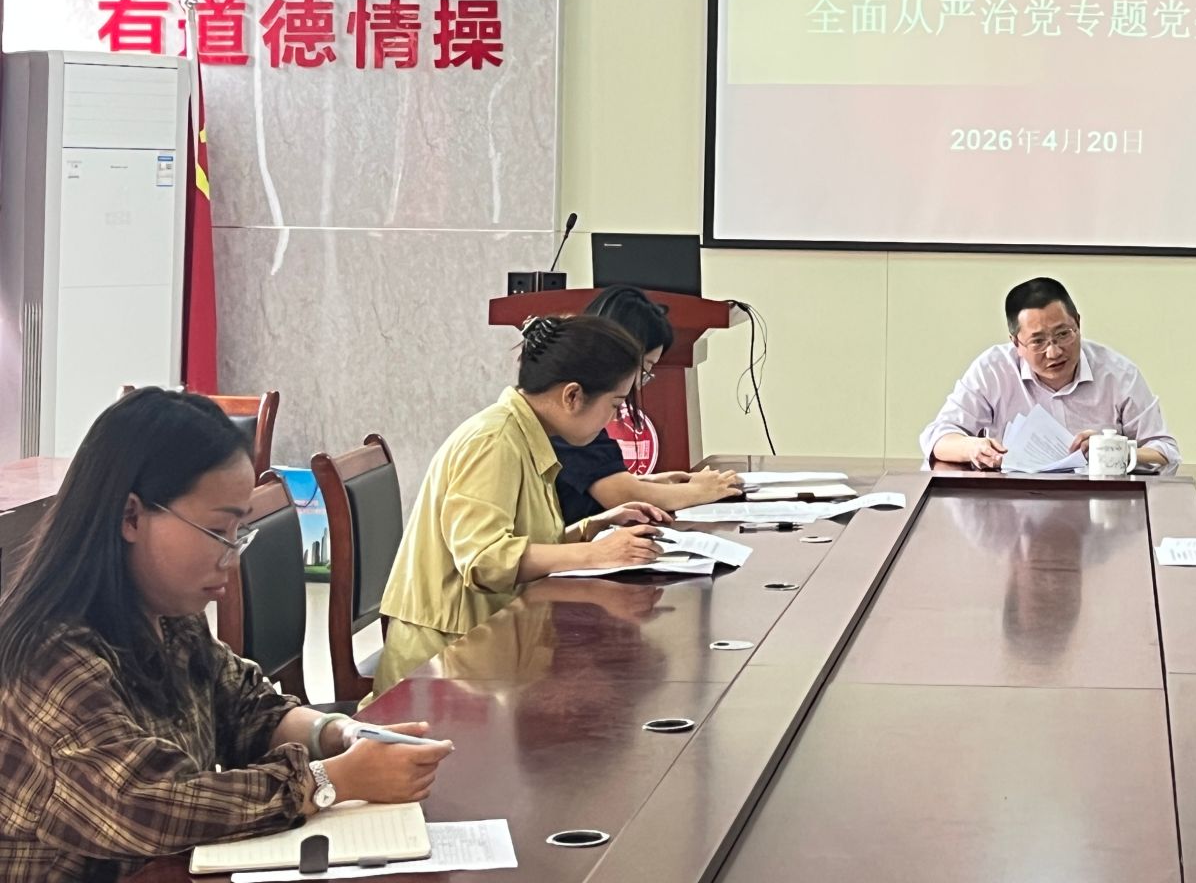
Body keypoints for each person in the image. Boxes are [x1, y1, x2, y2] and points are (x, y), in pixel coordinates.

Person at [0, 390, 452, 881]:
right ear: (130, 516)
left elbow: (245, 708)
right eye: (219, 532)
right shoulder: (48, 652)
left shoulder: (169, 614)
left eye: (241, 532)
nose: (232, 558)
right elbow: (143, 803)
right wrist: (330, 781)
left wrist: (340, 735)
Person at [377, 315, 673, 692]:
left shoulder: (524, 432)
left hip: (489, 647)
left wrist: (592, 527)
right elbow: (485, 560)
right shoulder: (495, 442)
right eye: (614, 404)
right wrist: (595, 554)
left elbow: (521, 543)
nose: (614, 419)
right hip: (445, 668)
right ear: (572, 396)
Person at [920, 277, 1178, 470]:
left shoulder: (1119, 375)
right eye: (1038, 341)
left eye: (1063, 334)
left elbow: (1166, 452)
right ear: (1016, 342)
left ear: (1078, 323)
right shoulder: (993, 371)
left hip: (1099, 508)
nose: (1054, 352)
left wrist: (1112, 450)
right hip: (1011, 507)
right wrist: (972, 448)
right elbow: (937, 437)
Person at [550, 286, 741, 526]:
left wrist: (653, 482)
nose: (639, 383)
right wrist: (701, 492)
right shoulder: (575, 409)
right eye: (645, 368)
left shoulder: (573, 394)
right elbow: (620, 495)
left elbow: (597, 480)